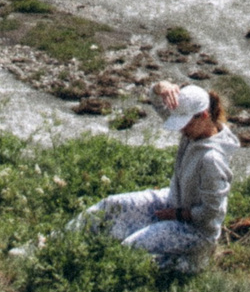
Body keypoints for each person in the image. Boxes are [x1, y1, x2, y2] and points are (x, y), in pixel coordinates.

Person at [67, 82, 240, 271]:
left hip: (196, 230)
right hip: (173, 200)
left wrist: (176, 215)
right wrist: (160, 87)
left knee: (130, 249)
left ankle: (194, 261)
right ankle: (59, 240)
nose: (181, 129)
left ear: (204, 116)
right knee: (111, 206)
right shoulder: (194, 130)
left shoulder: (212, 160)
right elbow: (157, 102)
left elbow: (211, 213)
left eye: (185, 123)